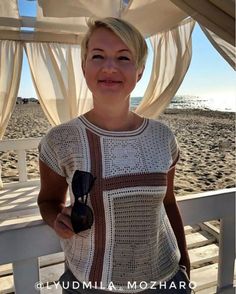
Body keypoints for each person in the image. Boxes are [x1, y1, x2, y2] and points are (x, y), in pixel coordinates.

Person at [37, 17, 191, 293]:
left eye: (124, 57)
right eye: (98, 56)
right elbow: (48, 200)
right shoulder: (60, 140)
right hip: (89, 282)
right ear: (84, 67)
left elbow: (168, 202)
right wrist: (55, 218)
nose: (110, 67)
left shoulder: (162, 137)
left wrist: (185, 265)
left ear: (140, 70)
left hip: (166, 277)